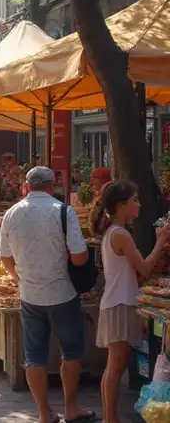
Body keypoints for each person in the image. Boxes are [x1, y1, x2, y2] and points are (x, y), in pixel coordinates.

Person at [0, 167, 95, 423]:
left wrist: (17, 277)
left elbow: (5, 256)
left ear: (26, 187)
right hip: (62, 291)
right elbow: (79, 256)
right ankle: (71, 408)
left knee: (34, 355)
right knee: (72, 351)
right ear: (53, 186)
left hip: (29, 292)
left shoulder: (11, 213)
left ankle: (44, 413)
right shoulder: (63, 211)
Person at [92, 180, 170, 423]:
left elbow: (135, 272)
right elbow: (145, 268)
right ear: (122, 205)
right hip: (119, 304)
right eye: (135, 201)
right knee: (116, 366)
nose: (139, 205)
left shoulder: (113, 233)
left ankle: (109, 418)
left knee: (115, 365)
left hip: (117, 302)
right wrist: (162, 239)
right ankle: (110, 418)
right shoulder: (120, 234)